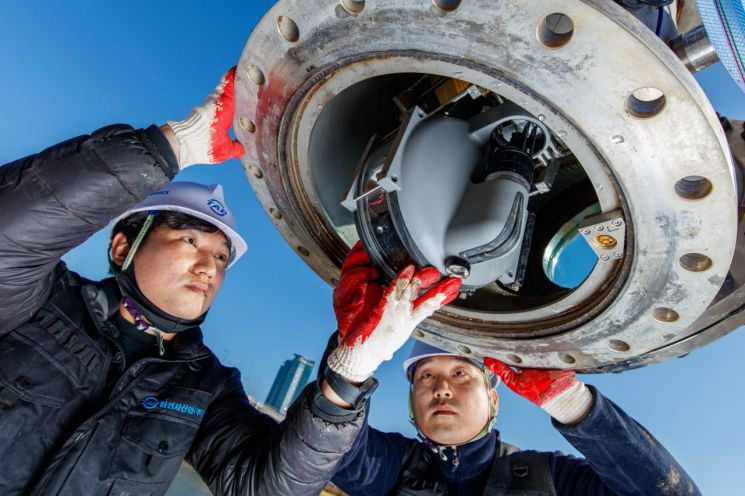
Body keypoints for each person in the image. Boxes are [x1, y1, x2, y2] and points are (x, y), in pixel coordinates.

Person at [0, 68, 461, 495]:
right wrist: (170, 146)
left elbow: (263, 486)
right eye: (189, 240)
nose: (210, 267)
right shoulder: (38, 304)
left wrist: (348, 375)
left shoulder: (203, 385)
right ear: (123, 247)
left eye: (221, 257)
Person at [325, 243, 701, 496]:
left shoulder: (551, 480)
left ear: (493, 398)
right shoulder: (389, 466)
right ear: (411, 402)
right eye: (426, 376)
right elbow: (327, 453)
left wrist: (575, 407)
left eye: (460, 374)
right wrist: (351, 360)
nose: (441, 388)